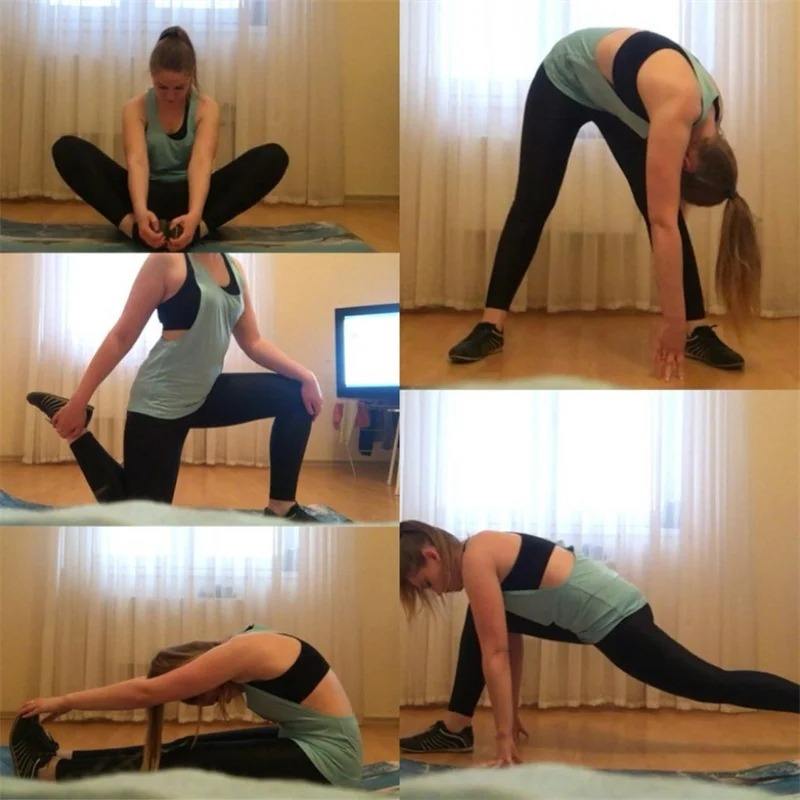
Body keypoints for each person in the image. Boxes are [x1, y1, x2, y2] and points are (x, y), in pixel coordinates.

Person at [448, 28, 761, 379]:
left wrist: (679, 318)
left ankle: (696, 328)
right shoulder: (677, 111)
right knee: (533, 201)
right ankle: (490, 325)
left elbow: (667, 219)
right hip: (566, 78)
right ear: (686, 163)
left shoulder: (709, 129)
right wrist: (670, 325)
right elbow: (664, 224)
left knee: (665, 213)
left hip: (616, 99)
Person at [399, 522, 800, 765]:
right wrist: (511, 714)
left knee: (711, 683)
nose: (436, 592)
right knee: (482, 621)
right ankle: (456, 727)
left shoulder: (476, 557)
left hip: (616, 618)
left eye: (427, 583)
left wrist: (504, 737)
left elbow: (497, 653)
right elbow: (507, 642)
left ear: (432, 554)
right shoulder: (481, 552)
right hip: (594, 615)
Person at [27, 251, 322, 520]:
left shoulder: (235, 267)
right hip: (160, 401)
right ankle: (78, 435)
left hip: (207, 392)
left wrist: (306, 376)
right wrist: (78, 402)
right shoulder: (167, 261)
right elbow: (122, 336)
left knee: (296, 397)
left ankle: (282, 508)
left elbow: (253, 342)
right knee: (140, 517)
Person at [10, 625, 362, 786]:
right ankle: (64, 758)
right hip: (307, 742)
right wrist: (66, 702)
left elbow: (144, 692)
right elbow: (150, 688)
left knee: (188, 760)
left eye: (200, 697)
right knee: (182, 747)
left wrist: (66, 701)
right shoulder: (242, 644)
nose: (212, 701)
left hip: (330, 762)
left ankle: (47, 773)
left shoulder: (243, 651)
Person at [51, 26, 288, 251]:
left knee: (273, 157)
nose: (171, 96)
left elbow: (201, 162)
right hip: (146, 194)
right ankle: (134, 229)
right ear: (152, 76)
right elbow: (137, 162)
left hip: (191, 196)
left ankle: (197, 229)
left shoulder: (206, 107)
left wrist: (195, 215)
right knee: (67, 149)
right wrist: (140, 211)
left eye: (179, 88)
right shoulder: (135, 107)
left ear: (191, 77)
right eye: (162, 87)